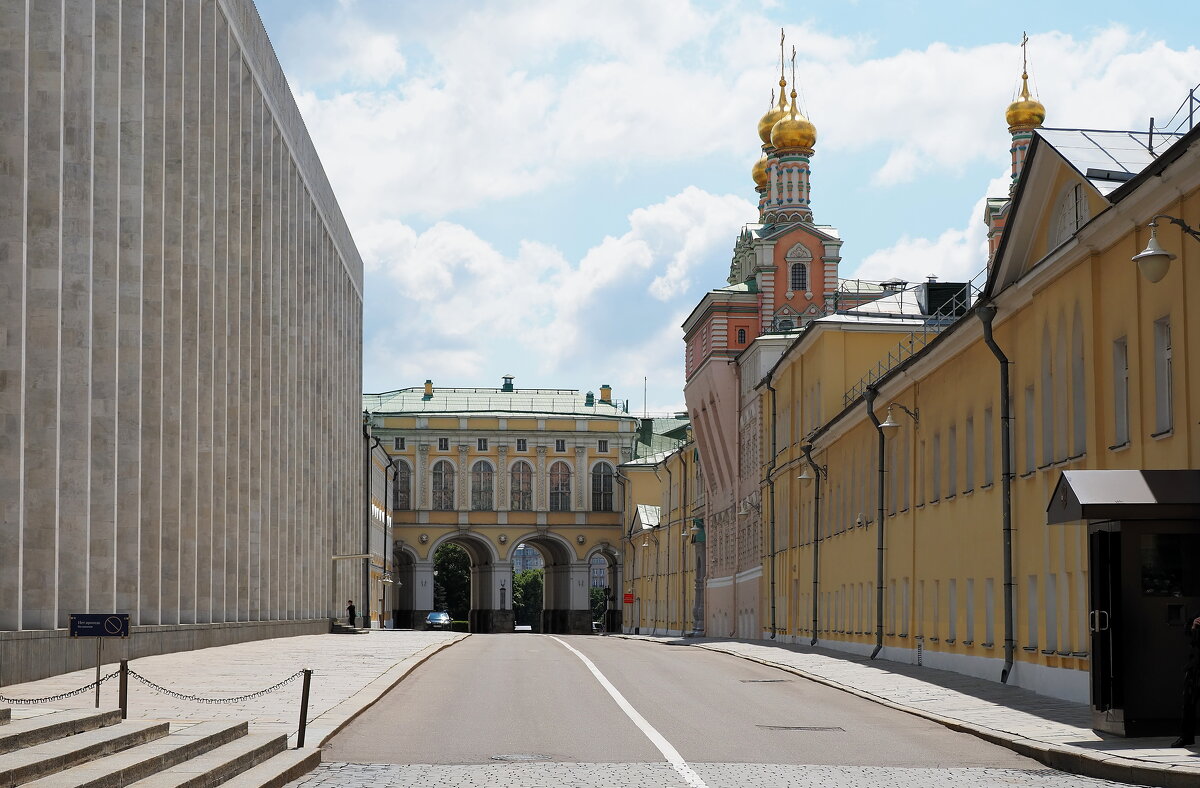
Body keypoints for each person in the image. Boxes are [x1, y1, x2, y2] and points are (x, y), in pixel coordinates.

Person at [1172, 614, 1200, 747]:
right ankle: (1186, 736)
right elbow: (1188, 632)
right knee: (1188, 702)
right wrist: (1194, 626)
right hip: (1195, 665)